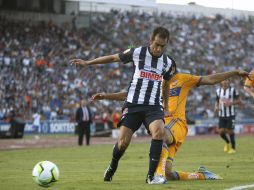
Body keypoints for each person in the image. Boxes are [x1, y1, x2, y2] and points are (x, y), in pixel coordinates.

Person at [91, 68, 249, 183]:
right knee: (169, 174)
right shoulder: (155, 83)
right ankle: (202, 175)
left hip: (177, 124)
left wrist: (234, 72)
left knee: (162, 134)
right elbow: (130, 94)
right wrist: (107, 96)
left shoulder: (183, 78)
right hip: (164, 125)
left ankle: (155, 175)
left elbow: (210, 79)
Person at [70, 26, 175, 184]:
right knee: (123, 142)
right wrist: (88, 63)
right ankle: (112, 166)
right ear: (151, 40)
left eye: (162, 46)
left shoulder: (168, 63)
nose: (159, 48)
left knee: (159, 132)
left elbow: (166, 85)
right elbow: (113, 58)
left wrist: (166, 105)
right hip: (133, 104)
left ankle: (151, 176)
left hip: (154, 107)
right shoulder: (137, 52)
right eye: (156, 44)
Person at [214, 79, 241, 154]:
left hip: (231, 114)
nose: (225, 82)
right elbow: (216, 100)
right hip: (221, 115)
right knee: (221, 132)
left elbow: (239, 101)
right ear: (221, 82)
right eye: (223, 80)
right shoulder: (218, 91)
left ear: (229, 81)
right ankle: (227, 142)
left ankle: (233, 148)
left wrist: (231, 103)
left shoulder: (233, 90)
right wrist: (216, 107)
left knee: (230, 131)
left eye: (226, 80)